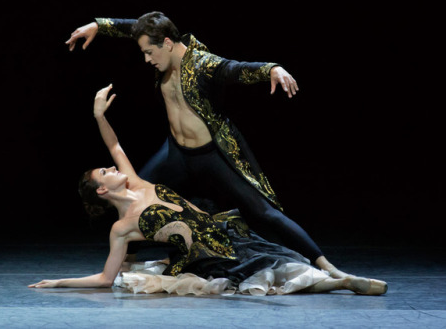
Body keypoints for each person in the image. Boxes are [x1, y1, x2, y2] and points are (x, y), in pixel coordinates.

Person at [28, 85, 387, 296]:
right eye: (104, 173)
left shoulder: (136, 181)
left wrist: (98, 115)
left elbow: (115, 146)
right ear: (102, 191)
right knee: (277, 274)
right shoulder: (121, 228)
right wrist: (59, 281)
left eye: (107, 167)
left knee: (282, 260)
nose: (111, 169)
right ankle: (344, 283)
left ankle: (337, 278)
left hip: (225, 230)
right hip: (209, 258)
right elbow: (106, 278)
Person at [64, 12, 339, 277]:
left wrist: (271, 69)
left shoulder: (202, 63)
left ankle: (327, 266)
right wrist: (99, 26)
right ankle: (127, 261)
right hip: (175, 153)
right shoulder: (159, 41)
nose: (147, 59)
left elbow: (236, 69)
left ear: (168, 43)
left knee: (263, 212)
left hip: (211, 154)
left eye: (149, 52)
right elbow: (137, 26)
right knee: (131, 197)